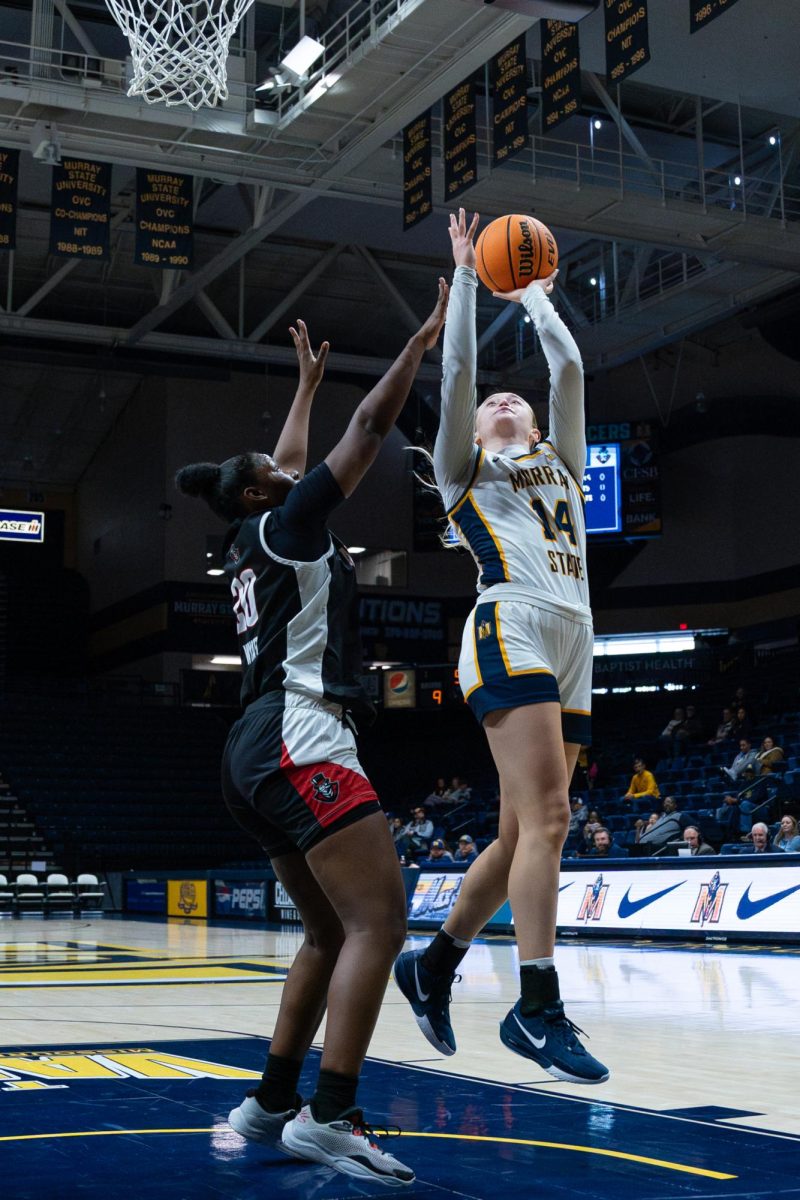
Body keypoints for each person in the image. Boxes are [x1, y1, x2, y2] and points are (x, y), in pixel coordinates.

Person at [175, 284, 448, 1187]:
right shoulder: (291, 523)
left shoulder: (259, 531)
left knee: (329, 932)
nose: (298, 468)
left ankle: (269, 1101)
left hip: (251, 749)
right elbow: (368, 431)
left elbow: (288, 456)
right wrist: (420, 343)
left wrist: (300, 387)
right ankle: (333, 1115)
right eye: (280, 468)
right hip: (300, 731)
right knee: (382, 918)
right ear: (263, 490)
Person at [393, 209, 608, 1085]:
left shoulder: (561, 456)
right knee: (552, 821)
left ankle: (434, 962)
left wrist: (541, 299)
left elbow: (568, 367)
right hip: (509, 623)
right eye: (492, 403)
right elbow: (457, 378)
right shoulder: (465, 469)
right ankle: (537, 1003)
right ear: (474, 433)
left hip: (576, 637)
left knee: (522, 827)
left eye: (511, 398)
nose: (504, 398)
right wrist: (476, 284)